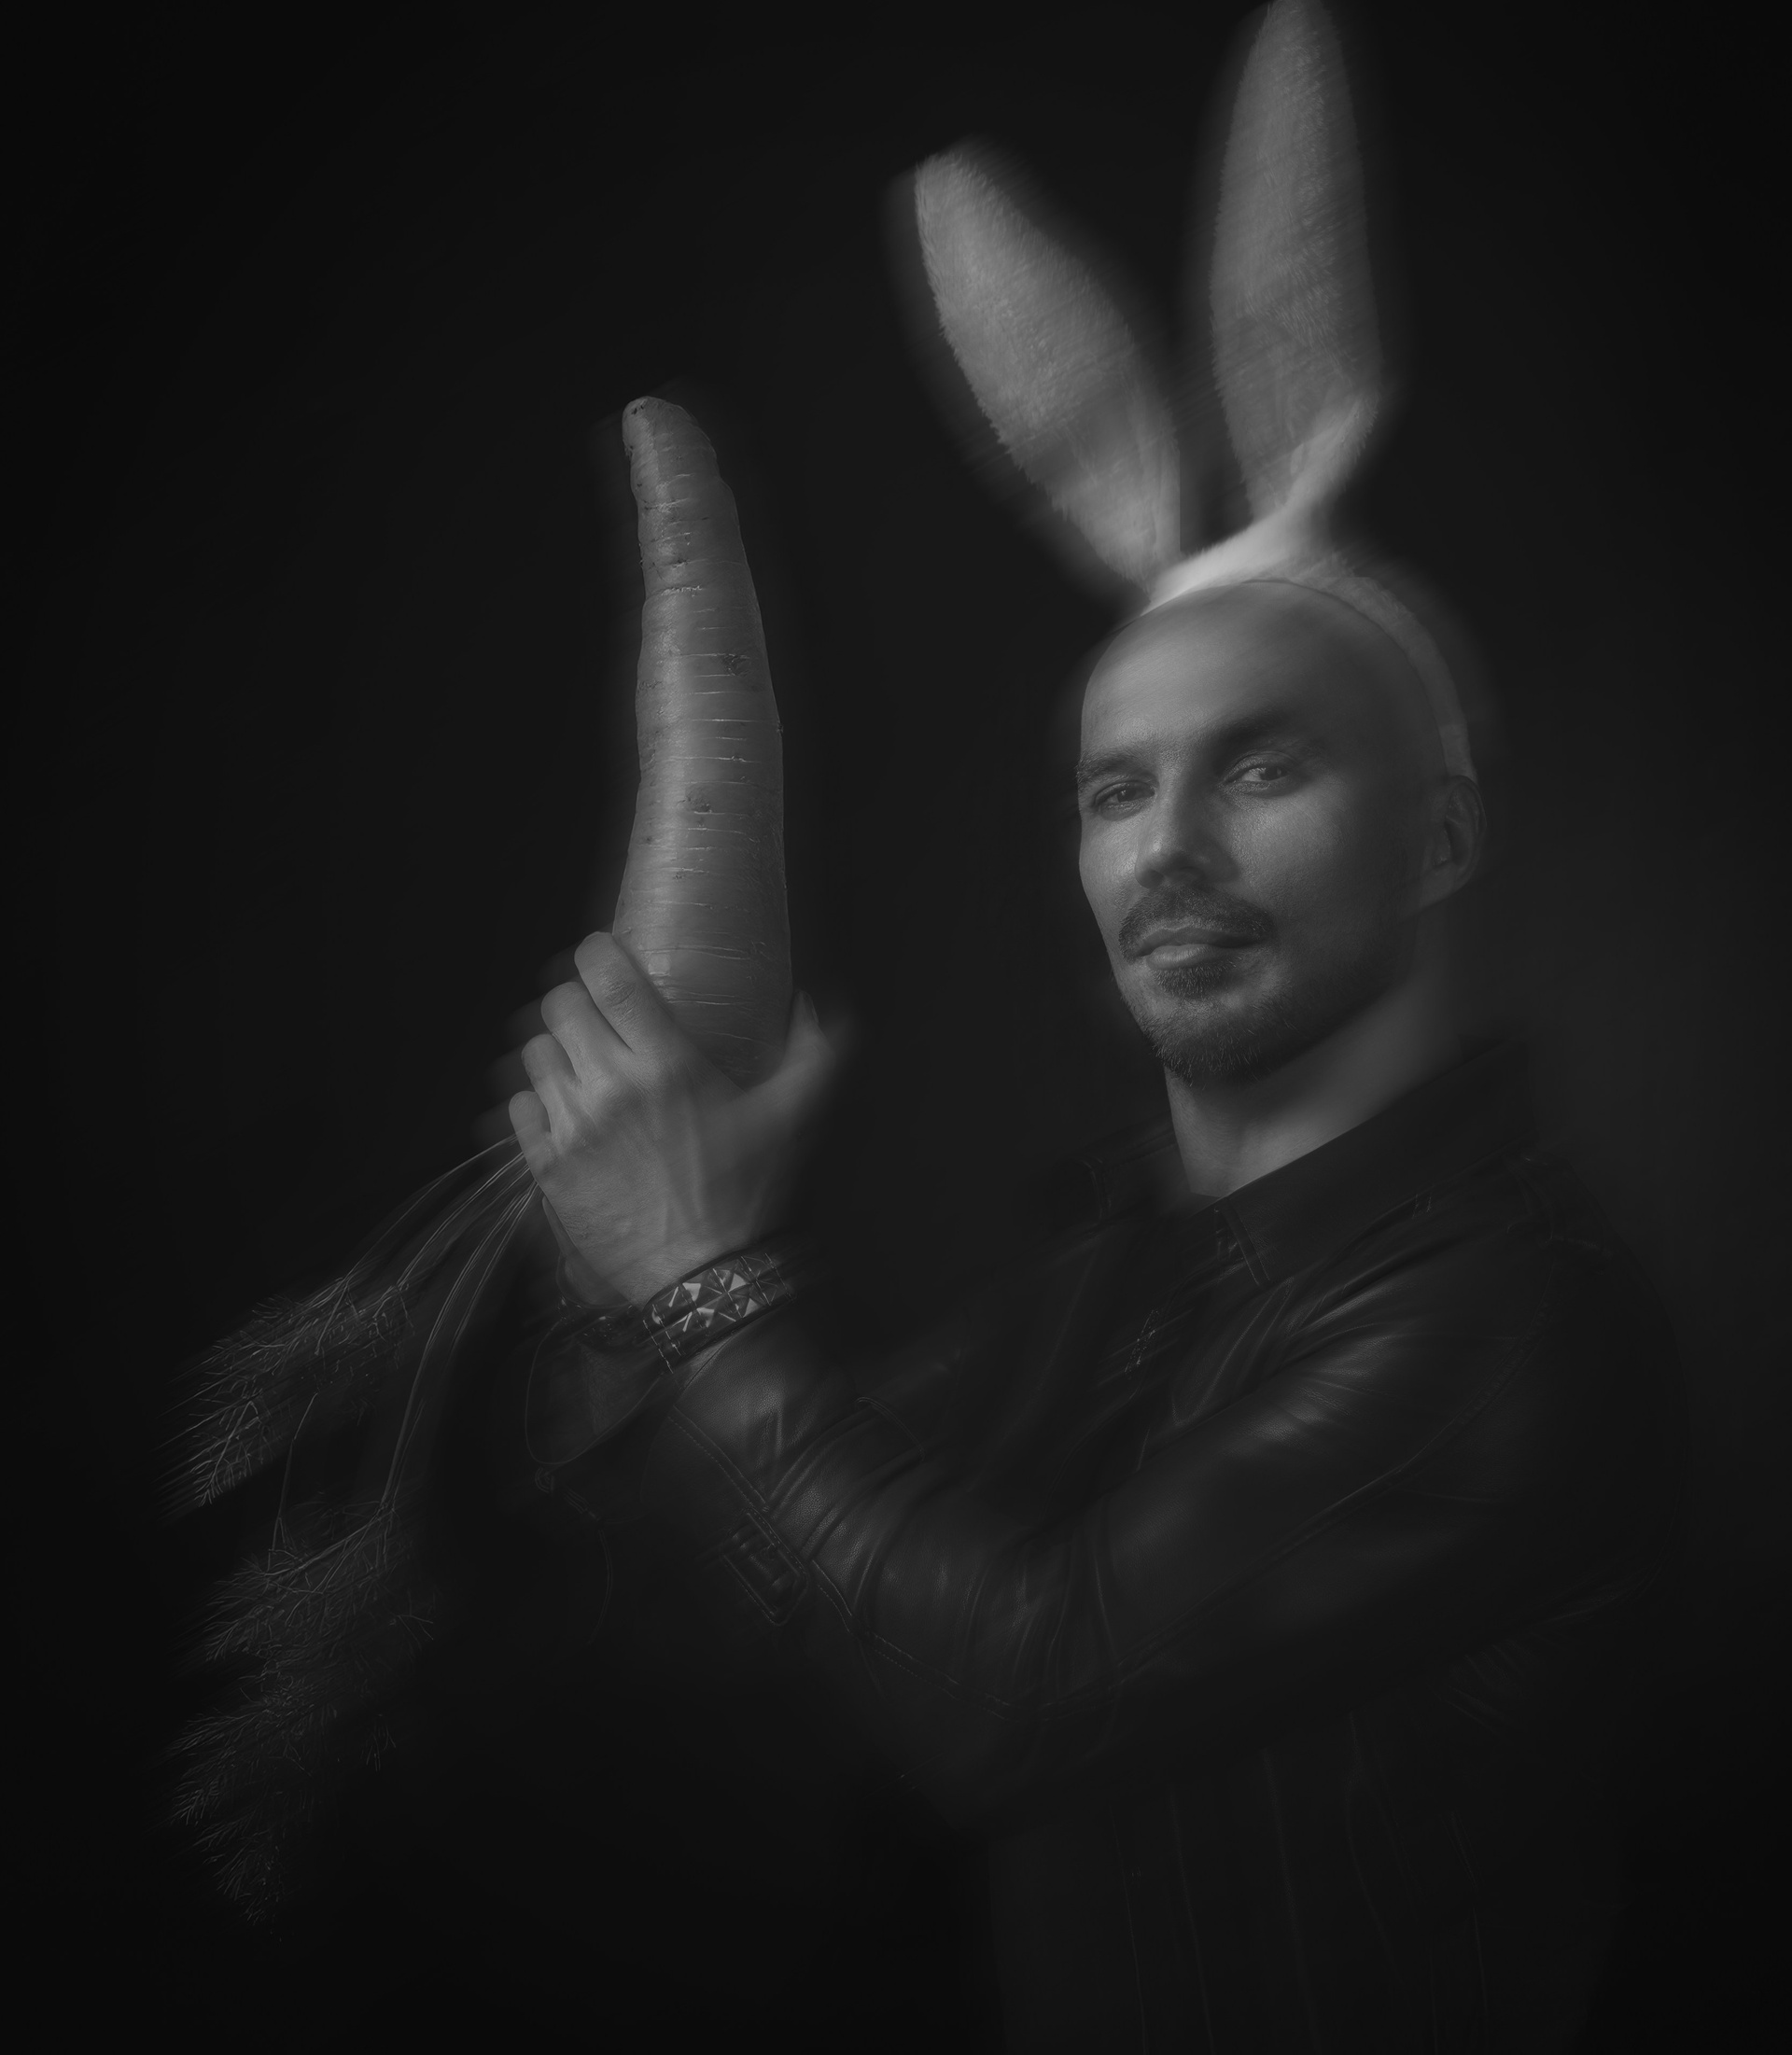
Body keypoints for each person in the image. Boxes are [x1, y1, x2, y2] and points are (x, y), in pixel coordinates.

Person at [502, 563, 1685, 2050]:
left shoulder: (1509, 1317)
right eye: (1118, 792)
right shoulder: (1119, 1273)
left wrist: (692, 1274)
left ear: (1438, 834)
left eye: (1262, 769)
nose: (1168, 849)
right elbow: (783, 1613)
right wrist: (623, 1284)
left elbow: (1021, 1697)